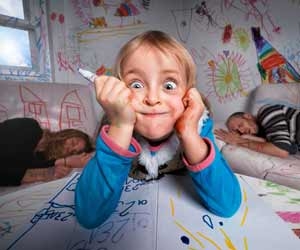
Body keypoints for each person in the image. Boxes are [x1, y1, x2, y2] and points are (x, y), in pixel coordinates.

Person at [75, 30, 242, 229]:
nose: (153, 98)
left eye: (169, 85)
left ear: (189, 94)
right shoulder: (116, 127)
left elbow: (227, 205)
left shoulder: (198, 125)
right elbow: (89, 215)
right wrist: (121, 126)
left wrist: (189, 134)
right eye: (136, 84)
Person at [0, 117, 95, 186]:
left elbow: (9, 174)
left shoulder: (43, 161)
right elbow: (8, 162)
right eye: (73, 142)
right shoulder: (30, 127)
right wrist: (63, 161)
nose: (70, 149)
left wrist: (58, 165)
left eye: (74, 152)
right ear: (66, 134)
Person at [214, 103, 300, 158]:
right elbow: (291, 149)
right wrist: (251, 138)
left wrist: (239, 141)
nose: (242, 131)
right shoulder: (267, 135)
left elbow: (281, 150)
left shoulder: (266, 111)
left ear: (248, 116)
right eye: (237, 131)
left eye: (241, 125)